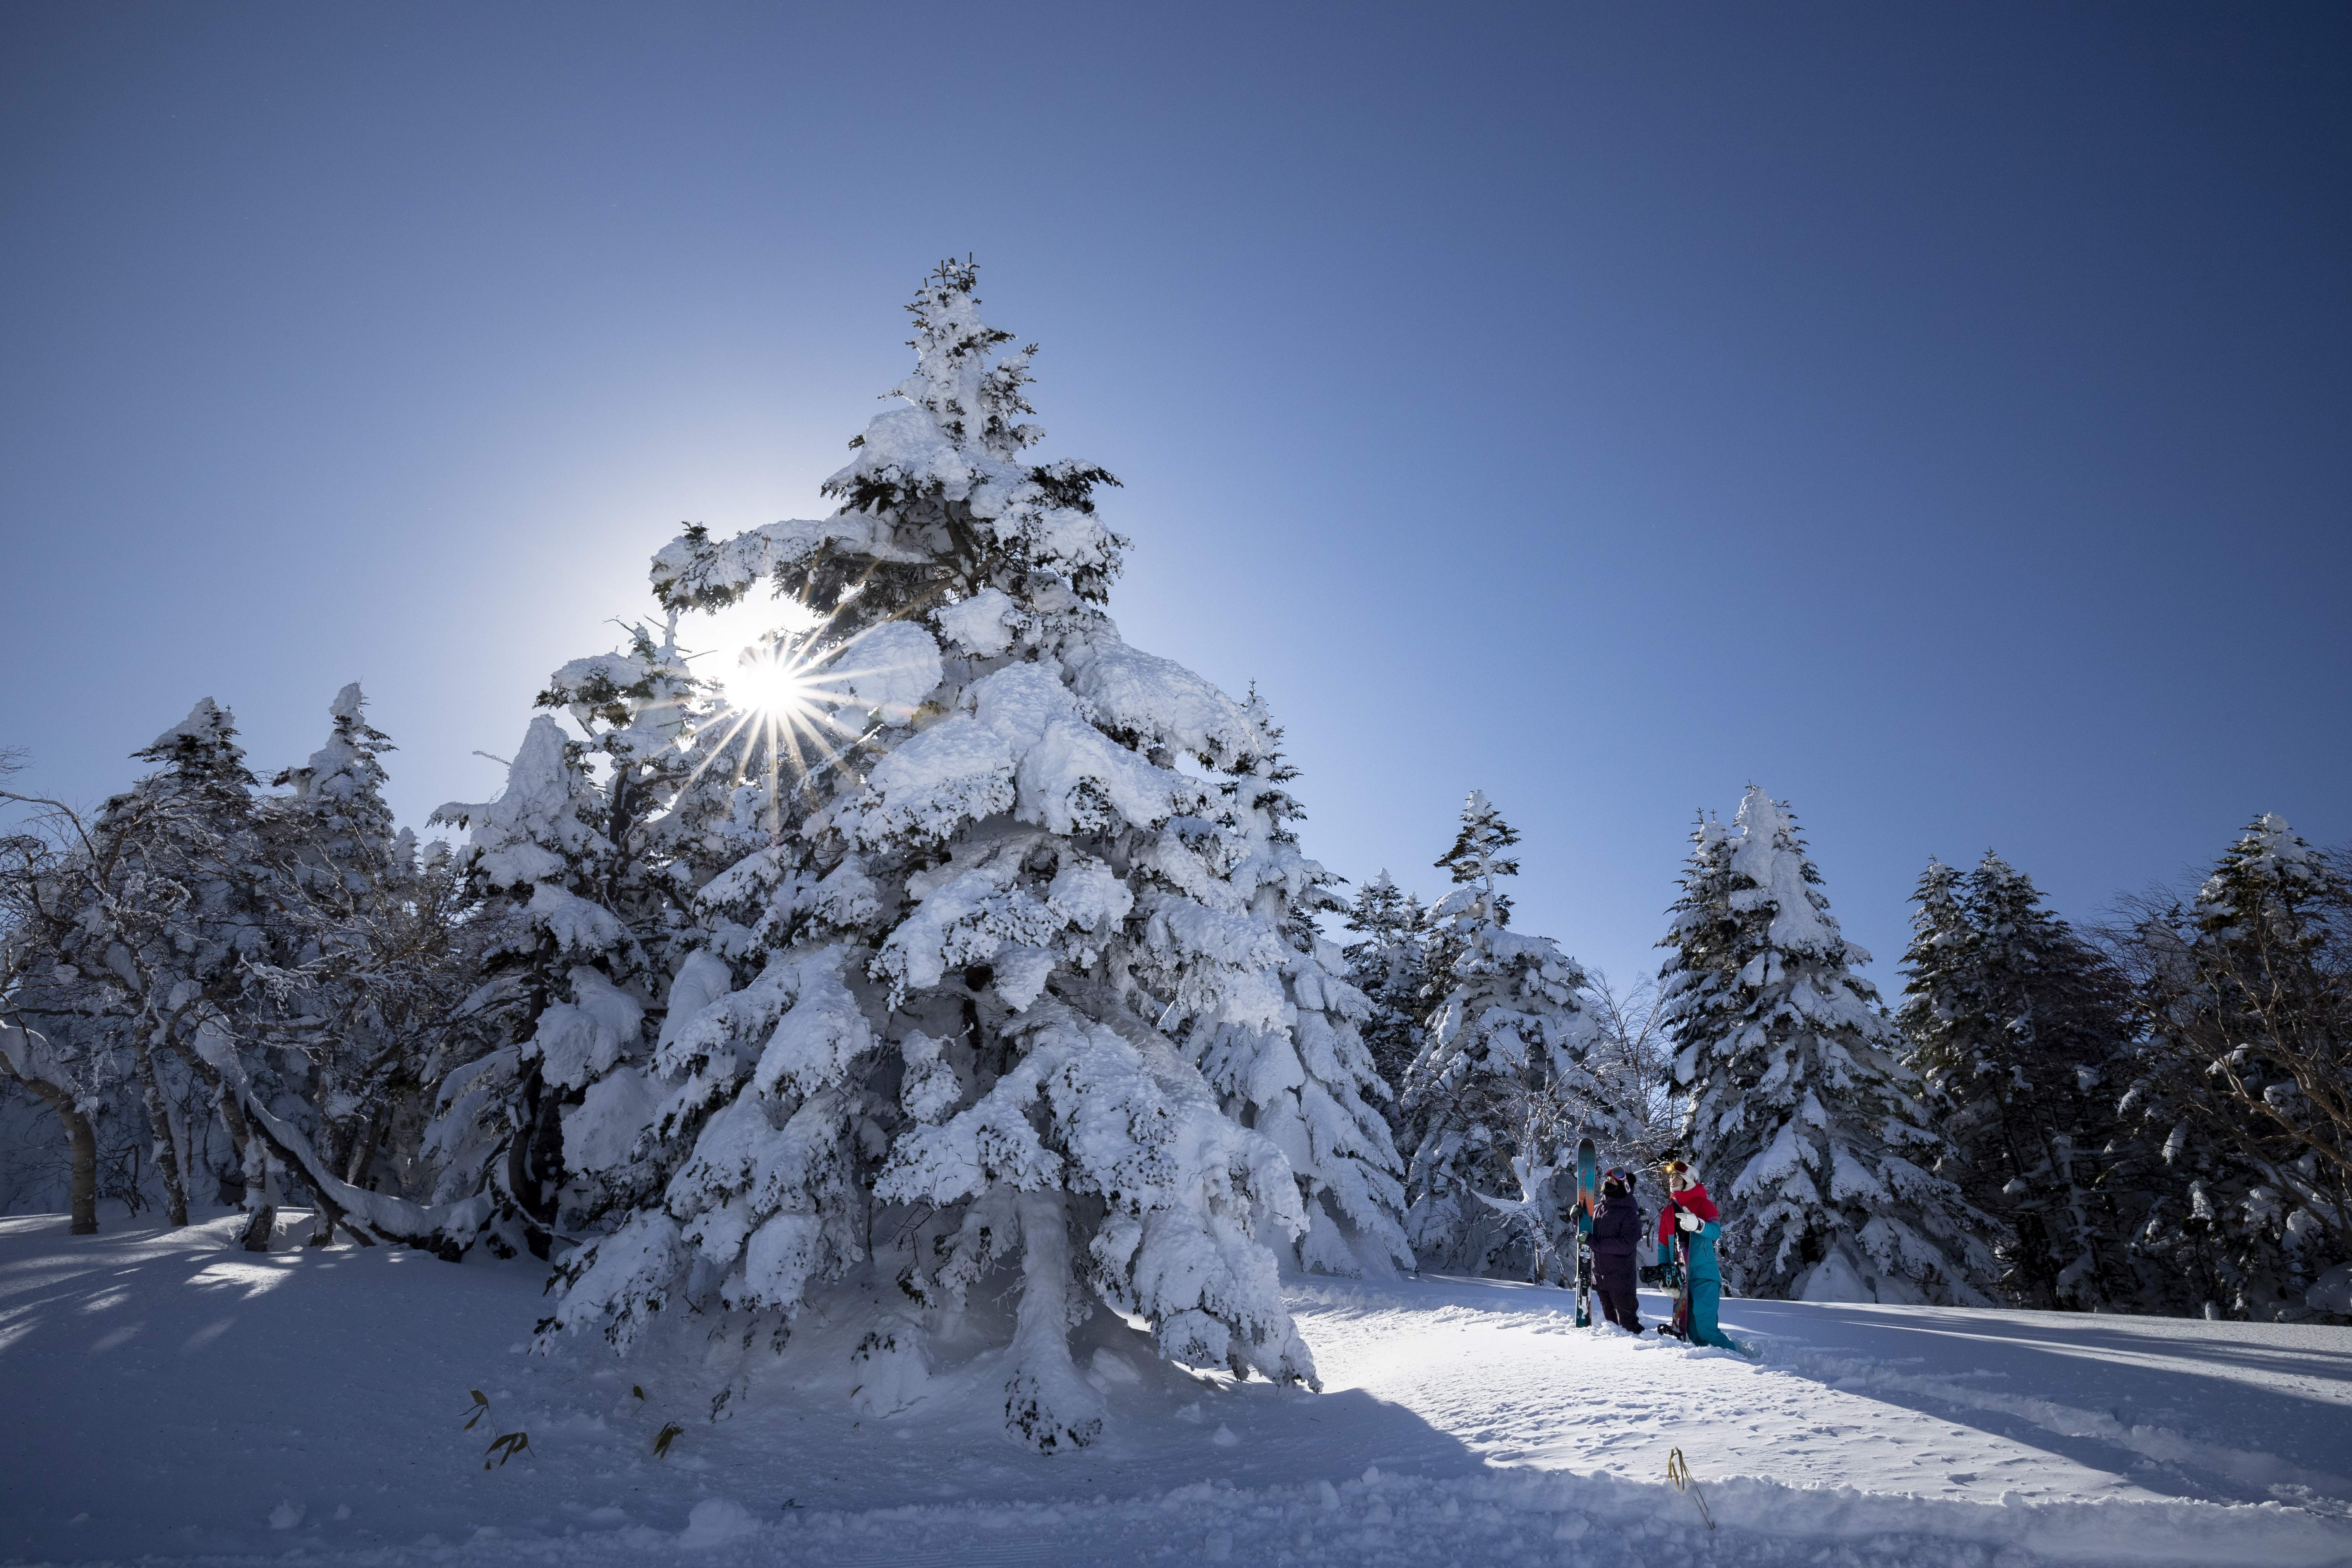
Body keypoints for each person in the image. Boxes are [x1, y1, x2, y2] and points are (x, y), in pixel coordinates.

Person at [1657, 1158, 1737, 1350]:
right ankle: (1710, 1367)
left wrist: (1699, 1225)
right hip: (1683, 1280)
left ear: (1689, 1181)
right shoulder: (1669, 1212)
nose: (1672, 1180)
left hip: (1704, 1276)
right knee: (1693, 1332)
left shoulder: (1704, 1205)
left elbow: (1715, 1232)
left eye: (1678, 1177)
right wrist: (1665, 1276)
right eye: (1671, 1177)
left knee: (1706, 1328)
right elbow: (1663, 1247)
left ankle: (1739, 1359)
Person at [1588, 1168, 1643, 1332]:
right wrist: (1577, 1219)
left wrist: (1594, 1243)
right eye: (1607, 1180)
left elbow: (1625, 1245)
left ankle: (1643, 1349)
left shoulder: (1630, 1215)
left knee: (1628, 1324)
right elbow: (1586, 1233)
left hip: (1621, 1280)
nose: (1607, 1183)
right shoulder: (1598, 1209)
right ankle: (1615, 1353)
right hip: (1600, 1277)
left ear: (1624, 1186)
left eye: (1612, 1181)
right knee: (1611, 1325)